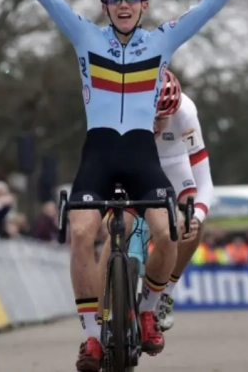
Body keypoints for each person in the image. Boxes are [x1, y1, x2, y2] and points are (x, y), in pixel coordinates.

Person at [0, 0, 248, 371]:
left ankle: (146, 311)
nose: (123, 4)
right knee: (81, 235)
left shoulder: (161, 41)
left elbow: (209, 7)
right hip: (98, 152)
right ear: (105, 6)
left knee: (169, 234)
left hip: (141, 154)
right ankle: (93, 339)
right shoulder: (84, 36)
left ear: (144, 5)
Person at [94, 70, 214, 332]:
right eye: (150, 117)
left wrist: (196, 217)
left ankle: (162, 295)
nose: (156, 125)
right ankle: (100, 315)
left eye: (163, 118)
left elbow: (204, 181)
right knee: (118, 225)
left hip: (175, 164)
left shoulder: (186, 113)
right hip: (135, 164)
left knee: (189, 221)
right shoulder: (119, 111)